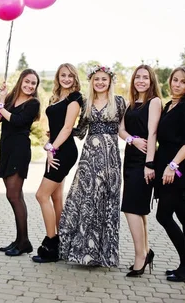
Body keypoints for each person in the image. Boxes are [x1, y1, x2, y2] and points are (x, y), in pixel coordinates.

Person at [58, 65, 126, 267]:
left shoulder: (120, 102)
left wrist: (135, 140)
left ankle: (104, 255)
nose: (100, 82)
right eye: (96, 79)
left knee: (106, 201)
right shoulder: (86, 103)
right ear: (92, 81)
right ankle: (84, 253)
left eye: (104, 79)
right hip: (89, 160)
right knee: (86, 200)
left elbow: (124, 129)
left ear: (110, 81)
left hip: (110, 160)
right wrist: (57, 135)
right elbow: (79, 131)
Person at [154, 66, 185, 282]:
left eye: (183, 82)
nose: (177, 84)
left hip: (176, 170)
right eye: (175, 80)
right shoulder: (169, 106)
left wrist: (171, 166)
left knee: (164, 215)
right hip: (169, 166)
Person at [31, 64, 83, 263]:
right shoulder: (56, 97)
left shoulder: (75, 98)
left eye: (70, 75)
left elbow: (68, 127)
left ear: (75, 78)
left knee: (41, 195)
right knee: (56, 198)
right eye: (63, 75)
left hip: (63, 151)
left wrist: (52, 148)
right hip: (55, 148)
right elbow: (56, 127)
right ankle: (64, 243)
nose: (67, 79)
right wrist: (50, 142)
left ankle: (52, 243)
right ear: (58, 77)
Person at [0, 69, 41, 256]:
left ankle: (24, 241)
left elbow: (17, 121)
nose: (29, 85)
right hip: (6, 148)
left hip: (19, 150)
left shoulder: (33, 103)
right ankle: (20, 240)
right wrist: (2, 97)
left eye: (33, 83)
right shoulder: (10, 98)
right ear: (21, 81)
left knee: (14, 195)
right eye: (27, 81)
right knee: (15, 195)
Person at [119, 65, 162, 277]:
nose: (141, 81)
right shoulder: (130, 103)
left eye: (145, 77)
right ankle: (146, 251)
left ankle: (140, 257)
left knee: (130, 208)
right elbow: (121, 130)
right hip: (130, 159)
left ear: (152, 80)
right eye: (138, 77)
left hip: (145, 161)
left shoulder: (154, 102)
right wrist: (132, 140)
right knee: (138, 209)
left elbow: (153, 133)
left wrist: (150, 163)